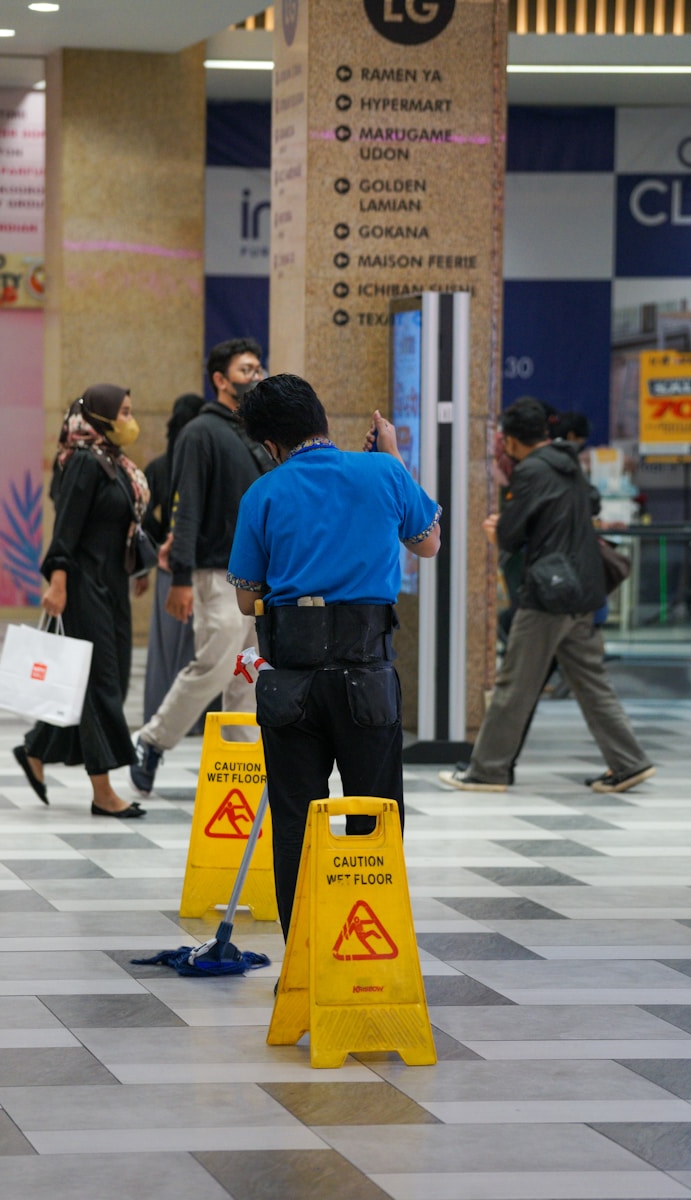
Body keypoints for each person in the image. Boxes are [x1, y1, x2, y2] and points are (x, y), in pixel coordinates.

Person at [226, 374, 441, 938]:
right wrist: (393, 457)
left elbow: (248, 598)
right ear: (320, 417)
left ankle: (303, 962)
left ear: (271, 443)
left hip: (291, 682)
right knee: (376, 818)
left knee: (296, 818)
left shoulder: (263, 493)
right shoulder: (383, 472)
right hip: (367, 675)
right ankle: (369, 947)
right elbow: (429, 541)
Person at [439, 396, 655, 796]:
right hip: (584, 590)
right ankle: (629, 763)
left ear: (510, 441)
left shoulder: (530, 472)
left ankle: (487, 771)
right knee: (593, 683)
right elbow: (590, 503)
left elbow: (512, 533)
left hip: (549, 593)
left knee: (513, 685)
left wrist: (497, 529)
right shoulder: (569, 461)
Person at [130, 337, 273, 796]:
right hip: (217, 575)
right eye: (246, 369)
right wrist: (183, 579)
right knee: (213, 664)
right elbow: (185, 510)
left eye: (258, 368)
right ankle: (152, 741)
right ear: (220, 379)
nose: (255, 376)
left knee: (250, 672)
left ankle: (242, 770)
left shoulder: (255, 433)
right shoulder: (200, 433)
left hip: (262, 579)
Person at [13, 384, 149, 817]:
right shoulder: (84, 463)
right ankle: (103, 792)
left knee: (113, 677)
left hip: (114, 583)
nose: (130, 419)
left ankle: (36, 748)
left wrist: (139, 565)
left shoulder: (115, 461)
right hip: (83, 583)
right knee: (101, 683)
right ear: (101, 416)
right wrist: (58, 582)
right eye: (123, 411)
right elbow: (65, 530)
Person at [141, 393, 204, 724]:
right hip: (198, 565)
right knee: (197, 646)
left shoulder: (160, 466)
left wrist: (159, 537)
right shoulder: (200, 462)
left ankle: (159, 712)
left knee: (164, 647)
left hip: (167, 568)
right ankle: (192, 719)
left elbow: (139, 514)